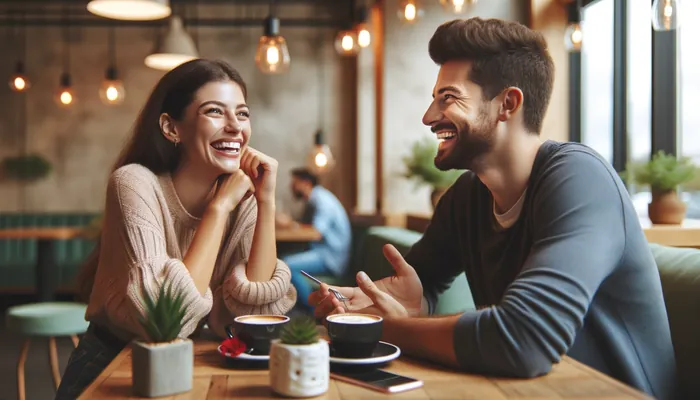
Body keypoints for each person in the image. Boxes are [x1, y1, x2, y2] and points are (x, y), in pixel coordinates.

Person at [310, 17, 677, 400]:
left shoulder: (581, 179)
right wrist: (382, 304)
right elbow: (421, 286)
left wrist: (382, 328)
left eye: (447, 98)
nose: (428, 116)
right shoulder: (469, 196)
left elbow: (524, 338)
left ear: (508, 103)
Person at [55, 59, 296, 399]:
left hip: (203, 360)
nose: (234, 127)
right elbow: (163, 319)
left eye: (242, 114)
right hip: (116, 361)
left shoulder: (246, 199)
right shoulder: (134, 183)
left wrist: (266, 200)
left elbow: (259, 315)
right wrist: (219, 207)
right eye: (215, 112)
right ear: (171, 128)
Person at [276, 167, 351, 309]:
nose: (291, 187)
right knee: (283, 259)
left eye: (294, 182)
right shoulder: (315, 199)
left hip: (331, 258)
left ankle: (312, 310)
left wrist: (291, 224)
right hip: (323, 252)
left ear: (306, 183)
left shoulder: (322, 200)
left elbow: (316, 232)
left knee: (286, 265)